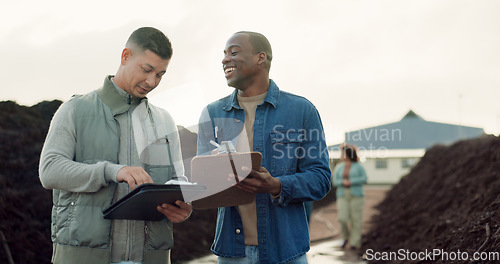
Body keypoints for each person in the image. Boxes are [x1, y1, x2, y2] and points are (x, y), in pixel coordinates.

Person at [39, 27, 192, 264]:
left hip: (152, 257)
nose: (152, 82)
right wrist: (112, 170)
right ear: (125, 56)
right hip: (84, 257)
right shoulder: (74, 110)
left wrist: (182, 206)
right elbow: (49, 171)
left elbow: (177, 180)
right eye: (147, 69)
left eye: (160, 74)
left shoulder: (165, 120)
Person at [196, 31, 331, 264]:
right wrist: (213, 174)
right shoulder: (212, 114)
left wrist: (277, 185)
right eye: (224, 54)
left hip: (286, 251)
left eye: (234, 52)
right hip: (232, 253)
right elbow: (202, 186)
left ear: (260, 58)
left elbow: (321, 179)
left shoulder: (302, 111)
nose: (225, 59)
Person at [332, 144, 367, 251]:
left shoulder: (358, 166)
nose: (341, 155)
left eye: (342, 153)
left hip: (356, 195)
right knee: (342, 218)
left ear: (348, 154)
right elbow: (335, 181)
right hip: (343, 195)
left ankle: (354, 242)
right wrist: (343, 182)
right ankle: (345, 238)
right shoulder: (339, 167)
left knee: (356, 219)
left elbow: (364, 179)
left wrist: (351, 182)